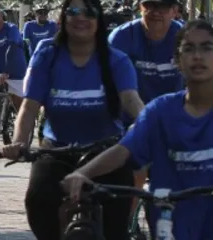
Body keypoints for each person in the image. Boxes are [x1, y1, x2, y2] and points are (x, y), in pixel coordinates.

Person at [0, 0, 143, 240]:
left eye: (89, 12)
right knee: (39, 201)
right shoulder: (46, 54)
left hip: (106, 152)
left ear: (99, 20)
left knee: (117, 218)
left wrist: (149, 127)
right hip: (56, 150)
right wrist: (19, 143)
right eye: (73, 11)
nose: (81, 18)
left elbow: (131, 100)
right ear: (62, 18)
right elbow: (29, 106)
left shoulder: (116, 59)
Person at [63, 20, 213, 238]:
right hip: (169, 227)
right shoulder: (159, 112)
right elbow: (124, 150)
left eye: (207, 47)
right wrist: (82, 173)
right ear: (177, 61)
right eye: (189, 48)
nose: (198, 56)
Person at [109, 0, 184, 106]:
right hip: (131, 119)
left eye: (162, 7)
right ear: (140, 8)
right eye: (149, 6)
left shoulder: (185, 37)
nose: (155, 12)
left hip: (175, 119)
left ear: (174, 11)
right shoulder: (120, 38)